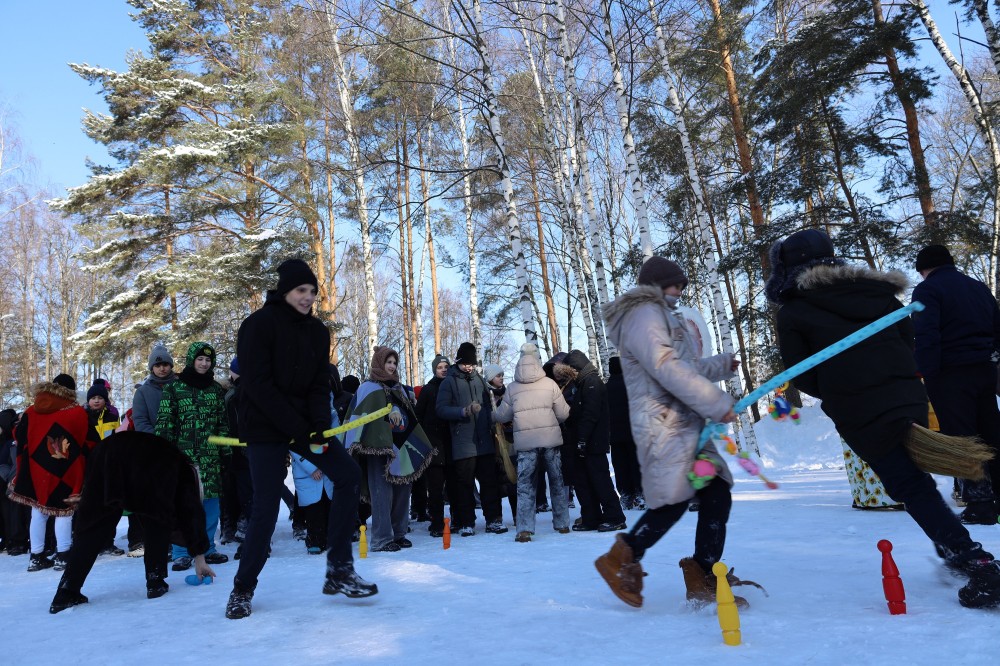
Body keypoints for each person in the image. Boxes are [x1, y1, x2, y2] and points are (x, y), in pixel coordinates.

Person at [765, 229, 1000, 609]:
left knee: (908, 483)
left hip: (859, 407)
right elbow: (908, 340)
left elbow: (802, 373)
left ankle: (974, 561)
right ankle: (953, 548)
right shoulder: (878, 294)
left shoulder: (794, 310)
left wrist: (841, 387)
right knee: (911, 481)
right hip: (905, 395)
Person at [596, 257, 752, 609]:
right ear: (656, 285)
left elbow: (685, 368)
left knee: (714, 492)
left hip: (685, 423)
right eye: (674, 284)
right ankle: (620, 559)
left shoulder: (664, 315)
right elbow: (666, 369)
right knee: (678, 498)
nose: (680, 290)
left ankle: (704, 571)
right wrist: (715, 403)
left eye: (682, 284)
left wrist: (721, 366)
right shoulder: (644, 315)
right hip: (665, 424)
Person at [227, 259, 377, 620]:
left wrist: (319, 426)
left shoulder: (316, 332)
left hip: (304, 425)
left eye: (312, 291)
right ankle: (242, 589)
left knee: (347, 474)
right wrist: (301, 429)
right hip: (264, 427)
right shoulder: (257, 325)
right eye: (301, 291)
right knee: (265, 508)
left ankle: (339, 568)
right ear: (284, 291)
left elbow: (316, 384)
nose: (308, 297)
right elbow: (258, 386)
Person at [48, 431, 217, 613]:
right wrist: (200, 558)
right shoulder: (182, 469)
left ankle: (66, 591)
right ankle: (155, 581)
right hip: (142, 462)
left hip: (105, 453)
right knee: (157, 519)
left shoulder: (173, 457)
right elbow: (190, 513)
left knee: (93, 527)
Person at [912, 244, 1000, 525]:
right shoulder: (977, 288)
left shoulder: (927, 290)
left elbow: (926, 335)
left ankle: (980, 503)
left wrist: (927, 373)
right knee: (990, 432)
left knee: (961, 437)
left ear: (924, 269)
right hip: (985, 369)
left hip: (950, 373)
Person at [155, 342, 231, 570]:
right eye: (200, 359)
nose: (204, 363)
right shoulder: (174, 389)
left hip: (211, 457)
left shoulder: (216, 390)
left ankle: (207, 548)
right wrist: (164, 455)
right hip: (183, 458)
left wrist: (226, 452)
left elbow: (222, 424)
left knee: (210, 505)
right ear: (191, 360)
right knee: (184, 505)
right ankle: (181, 551)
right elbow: (164, 423)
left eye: (208, 360)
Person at [10, 374, 95, 572]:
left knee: (38, 511)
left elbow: (19, 436)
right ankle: (63, 555)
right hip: (66, 470)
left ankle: (36, 556)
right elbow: (90, 441)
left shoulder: (32, 410)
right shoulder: (76, 412)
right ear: (71, 391)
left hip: (35, 469)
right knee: (63, 512)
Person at [492, 343, 571, 543]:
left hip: (525, 444)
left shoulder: (512, 388)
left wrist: (492, 413)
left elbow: (502, 416)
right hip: (550, 440)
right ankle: (562, 524)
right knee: (556, 481)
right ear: (537, 359)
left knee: (525, 485)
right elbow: (563, 413)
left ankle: (525, 529)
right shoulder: (550, 384)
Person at [436, 342, 506, 536]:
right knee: (464, 485)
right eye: (465, 363)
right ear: (458, 361)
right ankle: (467, 522)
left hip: (484, 440)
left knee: (489, 483)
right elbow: (440, 409)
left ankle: (493, 519)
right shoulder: (449, 382)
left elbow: (488, 405)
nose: (469, 367)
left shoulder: (480, 381)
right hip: (463, 443)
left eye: (471, 364)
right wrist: (463, 411)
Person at [554, 350, 627, 532]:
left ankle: (615, 517)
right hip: (587, 442)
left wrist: (582, 439)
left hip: (593, 443)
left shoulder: (592, 383)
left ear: (576, 369)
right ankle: (592, 517)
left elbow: (590, 415)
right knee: (585, 481)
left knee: (600, 480)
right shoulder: (584, 383)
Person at [414, 354, 451, 537]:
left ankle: (458, 520)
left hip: (452, 444)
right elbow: (418, 416)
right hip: (433, 445)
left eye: (446, 366)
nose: (443, 369)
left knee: (454, 486)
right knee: (435, 488)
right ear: (434, 370)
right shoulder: (429, 390)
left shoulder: (454, 387)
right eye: (440, 367)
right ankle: (436, 523)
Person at [607, 356, 644, 511]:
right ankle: (641, 493)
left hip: (615, 435)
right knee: (636, 464)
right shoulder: (633, 385)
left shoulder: (606, 387)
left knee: (620, 466)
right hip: (634, 433)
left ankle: (626, 496)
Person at [0, 408, 30, 556]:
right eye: (17, 423)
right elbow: (3, 463)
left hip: (34, 482)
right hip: (14, 483)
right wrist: (8, 477)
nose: (19, 425)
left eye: (22, 422)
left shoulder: (35, 438)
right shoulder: (10, 444)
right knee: (15, 513)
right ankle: (18, 542)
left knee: (33, 514)